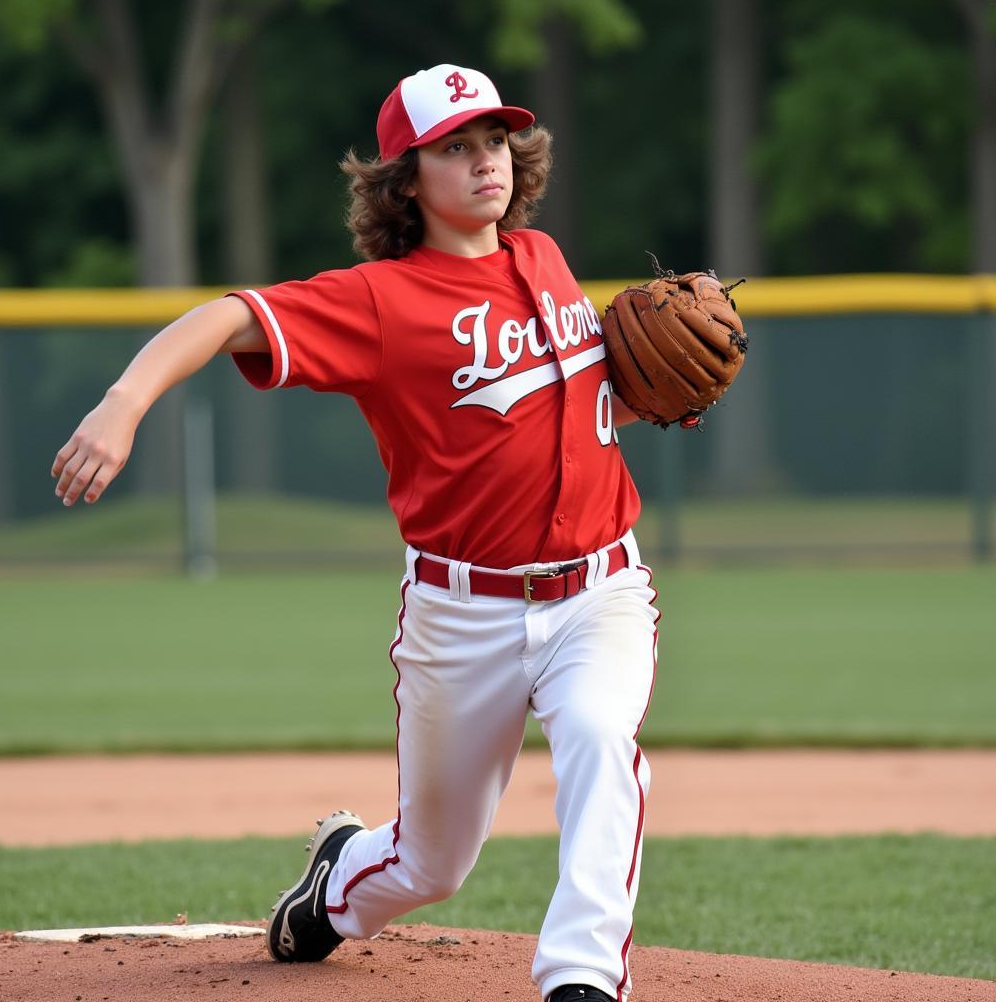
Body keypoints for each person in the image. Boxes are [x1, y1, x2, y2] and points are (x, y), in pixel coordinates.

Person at [51, 63, 659, 1002]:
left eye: (493, 140)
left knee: (599, 734)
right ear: (404, 181)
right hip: (464, 617)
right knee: (433, 865)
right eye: (453, 148)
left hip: (600, 591)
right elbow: (229, 316)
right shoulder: (380, 300)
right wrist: (123, 404)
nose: (484, 161)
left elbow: (562, 404)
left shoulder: (542, 259)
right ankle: (337, 883)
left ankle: (580, 981)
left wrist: (642, 386)